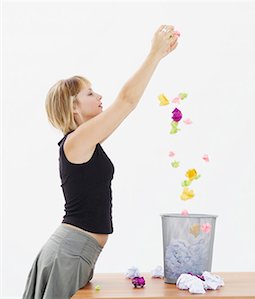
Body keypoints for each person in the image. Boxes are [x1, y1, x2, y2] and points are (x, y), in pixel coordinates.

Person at [22, 24, 179, 299]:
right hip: (67, 254)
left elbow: (125, 104)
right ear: (73, 106)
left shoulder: (85, 142)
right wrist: (154, 54)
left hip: (76, 253)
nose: (99, 96)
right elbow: (127, 101)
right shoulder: (76, 141)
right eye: (90, 93)